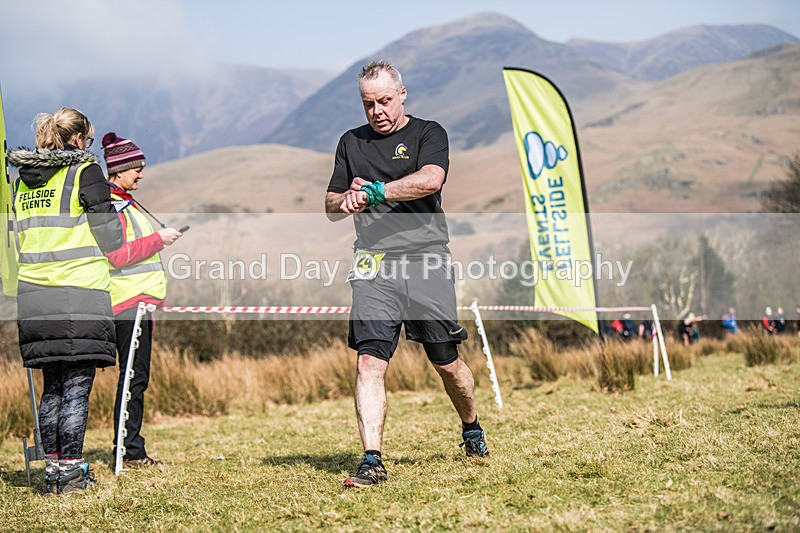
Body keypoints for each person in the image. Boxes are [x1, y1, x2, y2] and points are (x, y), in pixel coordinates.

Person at [325, 61, 488, 489]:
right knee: (368, 362)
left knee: (447, 363)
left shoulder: (428, 133)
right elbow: (329, 203)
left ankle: (471, 426)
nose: (376, 110)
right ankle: (372, 459)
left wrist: (377, 191)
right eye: (367, 104)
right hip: (373, 263)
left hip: (425, 258)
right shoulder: (350, 142)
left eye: (383, 100)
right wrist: (346, 200)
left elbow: (431, 180)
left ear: (402, 95)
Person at [8, 108, 123, 495]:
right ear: (77, 139)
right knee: (76, 386)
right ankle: (71, 475)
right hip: (79, 291)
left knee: (51, 387)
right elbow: (110, 237)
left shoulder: (21, 181)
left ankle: (54, 473)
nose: (88, 147)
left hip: (34, 296)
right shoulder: (83, 172)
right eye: (87, 140)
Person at [102, 133, 182, 469]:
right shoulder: (115, 205)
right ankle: (129, 451)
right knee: (133, 376)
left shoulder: (123, 201)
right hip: (127, 302)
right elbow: (117, 255)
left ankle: (129, 447)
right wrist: (158, 240)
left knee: (136, 376)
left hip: (137, 302)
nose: (141, 174)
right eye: (136, 168)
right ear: (118, 171)